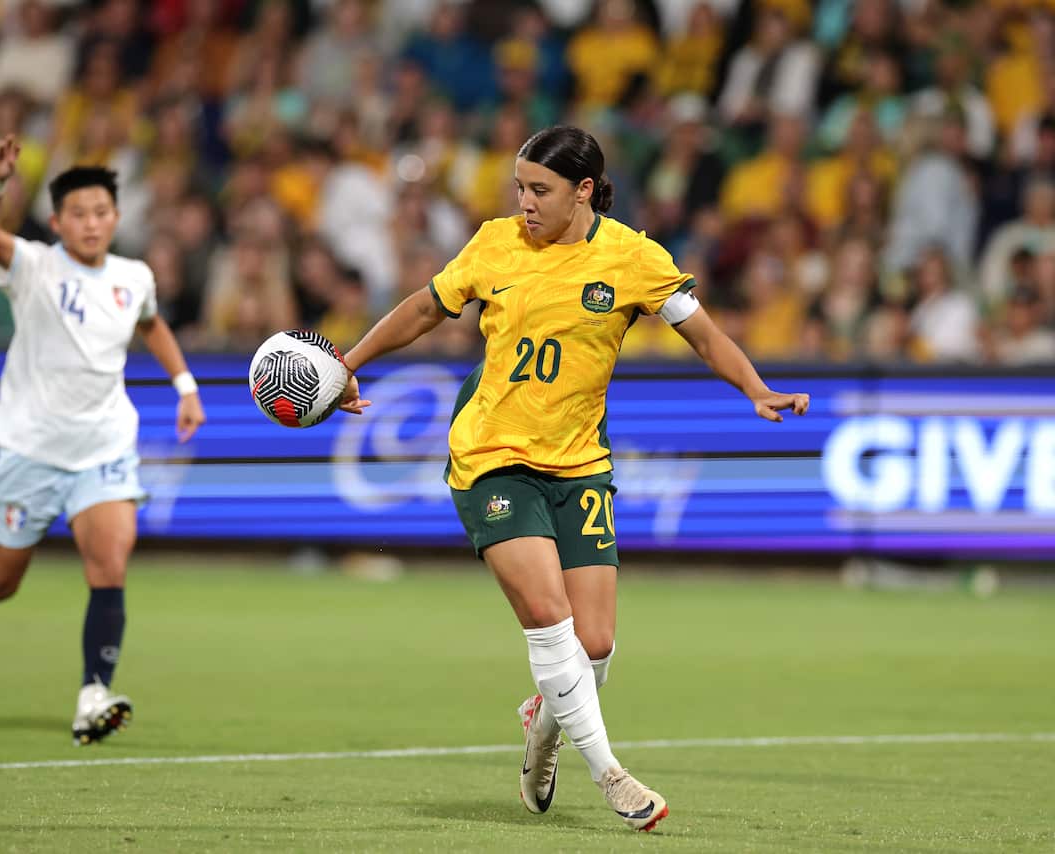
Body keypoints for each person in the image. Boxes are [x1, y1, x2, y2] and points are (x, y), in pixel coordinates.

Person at [336, 126, 809, 830]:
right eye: (520, 187)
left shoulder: (633, 258)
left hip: (581, 463)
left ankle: (545, 720)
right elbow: (425, 308)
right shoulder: (495, 243)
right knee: (550, 621)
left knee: (595, 646)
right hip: (493, 457)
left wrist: (756, 389)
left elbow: (703, 333)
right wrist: (350, 362)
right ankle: (611, 774)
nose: (524, 202)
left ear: (584, 190)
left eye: (540, 190)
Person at [0, 136, 205, 746]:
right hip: (32, 451)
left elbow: (152, 325)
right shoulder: (33, 265)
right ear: (58, 221)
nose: (91, 224)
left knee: (109, 565)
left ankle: (94, 694)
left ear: (116, 218)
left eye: (101, 213)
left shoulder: (133, 276)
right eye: (78, 214)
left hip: (105, 447)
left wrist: (185, 386)